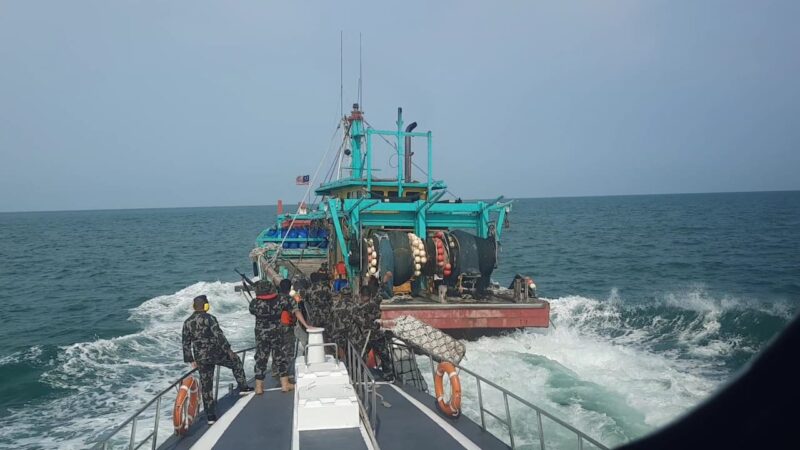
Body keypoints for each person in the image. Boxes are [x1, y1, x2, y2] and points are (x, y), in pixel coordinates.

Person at [182, 295, 253, 425]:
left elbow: (186, 343)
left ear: (194, 306)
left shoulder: (187, 322)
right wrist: (229, 351)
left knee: (206, 385)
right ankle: (243, 387)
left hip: (201, 358)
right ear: (205, 306)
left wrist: (191, 360)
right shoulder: (210, 319)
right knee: (236, 362)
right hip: (216, 354)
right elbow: (219, 336)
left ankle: (210, 416)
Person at [249, 279, 312, 394]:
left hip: (261, 334)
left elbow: (252, 311)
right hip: (277, 333)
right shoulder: (283, 299)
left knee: (261, 358)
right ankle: (285, 384)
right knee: (280, 357)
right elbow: (296, 311)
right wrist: (306, 325)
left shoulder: (254, 303)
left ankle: (258, 387)